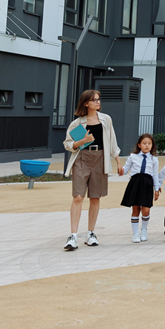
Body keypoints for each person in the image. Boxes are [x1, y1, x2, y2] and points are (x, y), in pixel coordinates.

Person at [63, 89, 121, 251]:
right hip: (82, 158)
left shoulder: (106, 120)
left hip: (100, 158)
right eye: (94, 100)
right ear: (86, 103)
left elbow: (112, 141)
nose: (98, 102)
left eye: (98, 99)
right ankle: (73, 236)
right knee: (78, 197)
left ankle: (90, 234)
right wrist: (83, 140)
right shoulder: (77, 123)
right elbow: (68, 144)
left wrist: (118, 161)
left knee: (95, 197)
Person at [120, 134, 161, 243]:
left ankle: (144, 229)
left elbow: (155, 175)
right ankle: (135, 233)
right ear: (139, 145)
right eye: (144, 143)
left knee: (146, 209)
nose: (147, 146)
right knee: (135, 209)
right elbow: (125, 169)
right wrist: (121, 170)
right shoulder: (132, 157)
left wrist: (157, 188)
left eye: (149, 143)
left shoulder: (154, 159)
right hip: (135, 183)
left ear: (152, 145)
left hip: (147, 184)